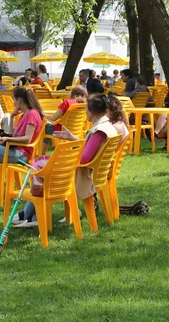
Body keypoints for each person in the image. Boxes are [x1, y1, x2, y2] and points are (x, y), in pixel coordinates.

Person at [13, 94, 118, 227]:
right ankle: (32, 216)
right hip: (93, 175)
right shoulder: (107, 126)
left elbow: (85, 158)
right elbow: (91, 148)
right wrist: (72, 138)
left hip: (83, 178)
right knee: (42, 170)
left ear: (91, 112)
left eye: (86, 110)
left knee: (42, 172)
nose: (85, 113)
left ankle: (33, 216)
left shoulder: (99, 131)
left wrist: (64, 159)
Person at [41, 85, 88, 154]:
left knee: (45, 126)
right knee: (48, 127)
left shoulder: (67, 103)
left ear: (73, 94)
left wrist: (43, 114)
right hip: (75, 130)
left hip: (61, 130)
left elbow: (53, 118)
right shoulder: (83, 105)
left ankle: (42, 153)